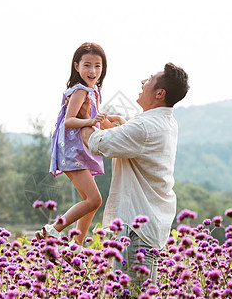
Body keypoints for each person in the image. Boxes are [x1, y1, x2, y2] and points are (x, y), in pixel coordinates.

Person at [81, 62, 189, 286]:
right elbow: (135, 142)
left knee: (129, 292)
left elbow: (95, 142)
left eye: (149, 79)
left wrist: (82, 118)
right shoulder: (165, 122)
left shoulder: (145, 127)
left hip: (136, 233)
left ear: (160, 93)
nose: (143, 82)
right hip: (149, 226)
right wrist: (122, 126)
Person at [35, 42, 109, 249]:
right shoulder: (79, 91)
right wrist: (90, 122)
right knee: (94, 200)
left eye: (97, 66)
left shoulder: (94, 91)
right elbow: (69, 120)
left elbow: (99, 119)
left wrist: (118, 125)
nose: (92, 71)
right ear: (76, 66)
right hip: (71, 151)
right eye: (87, 65)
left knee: (90, 202)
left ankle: (75, 248)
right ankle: (53, 230)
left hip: (82, 151)